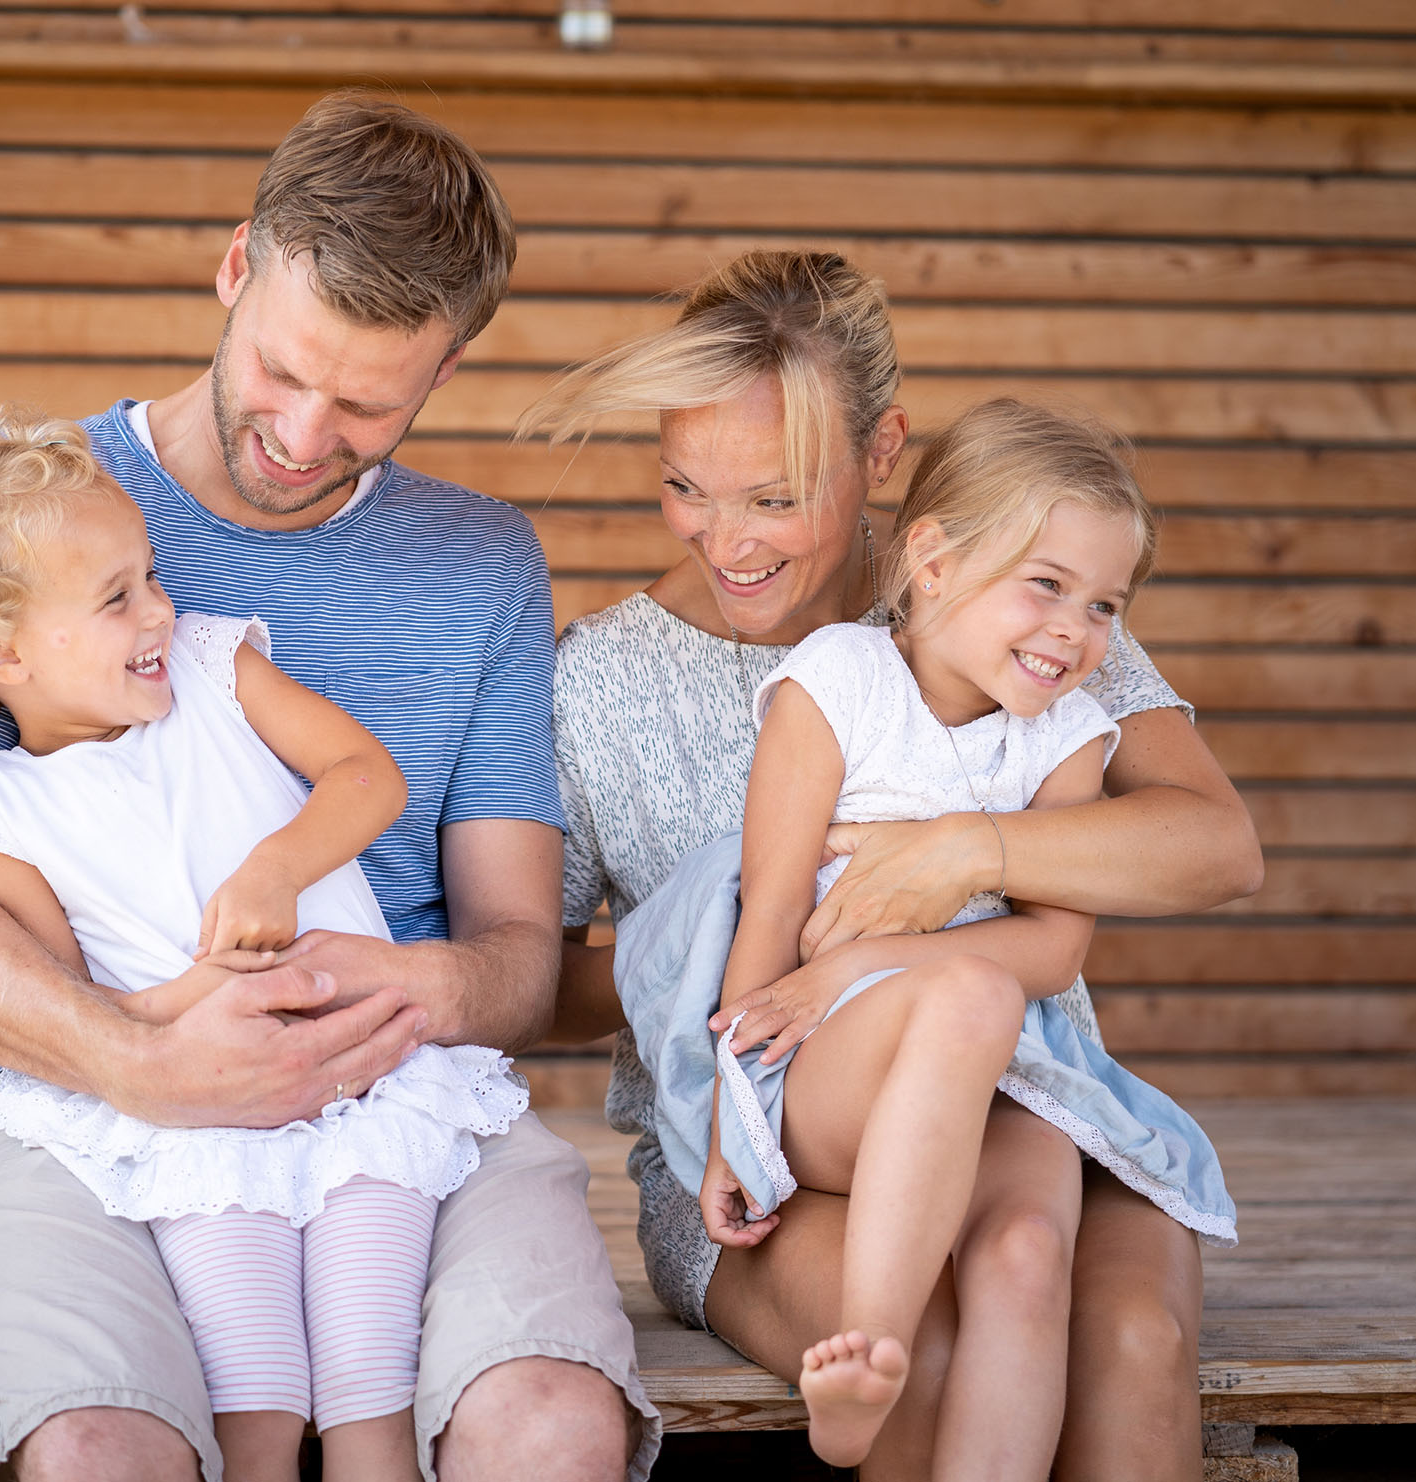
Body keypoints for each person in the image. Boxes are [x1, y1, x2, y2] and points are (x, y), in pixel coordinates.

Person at [0, 94, 652, 1482]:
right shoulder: (32, 509)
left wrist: (416, 993)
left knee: (550, 1426)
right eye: (283, 368)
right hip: (85, 1101)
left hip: (397, 1096)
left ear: (444, 370)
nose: (300, 429)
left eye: (364, 403)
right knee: (104, 1448)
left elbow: (520, 954)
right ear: (235, 268)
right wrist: (144, 1054)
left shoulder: (480, 564)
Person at [523, 250, 1264, 1481]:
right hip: (766, 1149)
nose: (726, 539)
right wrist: (713, 947)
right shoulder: (597, 679)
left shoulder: (1021, 602)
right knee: (916, 1342)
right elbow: (533, 986)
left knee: (1130, 1338)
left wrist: (964, 854)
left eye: (774, 494)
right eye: (685, 489)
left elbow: (1215, 845)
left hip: (1024, 1099)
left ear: (883, 456)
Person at [0, 413, 535, 1482]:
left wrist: (275, 870)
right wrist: (198, 1001)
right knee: (251, 1396)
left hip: (365, 1088)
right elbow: (76, 1001)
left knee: (367, 1389)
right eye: (116, 597)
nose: (160, 608)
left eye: (150, 575)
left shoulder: (216, 668)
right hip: (197, 1129)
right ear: (1, 651)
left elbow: (367, 779)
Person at [666, 397, 1236, 1470]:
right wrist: (723, 1130)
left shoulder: (1069, 734)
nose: (1076, 632)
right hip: (826, 1063)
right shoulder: (835, 685)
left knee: (1025, 1256)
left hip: (1006, 1075)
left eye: (1105, 605)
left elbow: (1051, 955)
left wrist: (885, 951)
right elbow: (770, 910)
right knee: (971, 991)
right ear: (931, 559)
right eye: (1047, 586)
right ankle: (867, 1354)